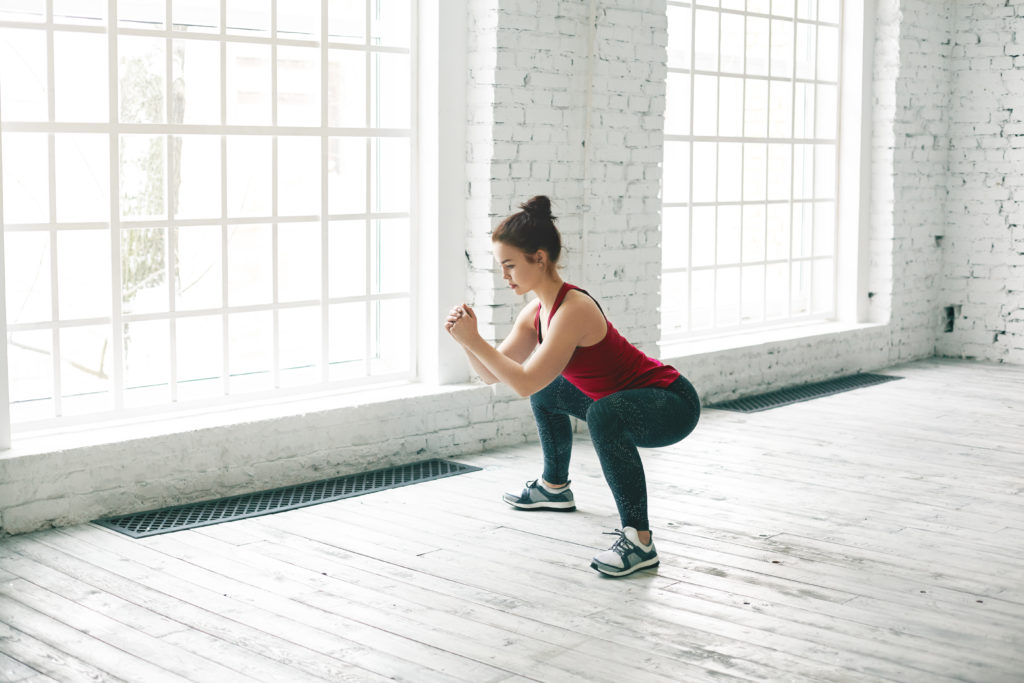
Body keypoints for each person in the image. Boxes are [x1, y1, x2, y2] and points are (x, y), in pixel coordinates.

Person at [445, 195, 701, 577]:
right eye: (502, 267)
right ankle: (554, 486)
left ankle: (639, 541)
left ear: (540, 259)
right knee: (554, 393)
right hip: (621, 401)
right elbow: (492, 375)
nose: (505, 276)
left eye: (510, 265)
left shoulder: (573, 309)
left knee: (601, 412)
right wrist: (466, 340)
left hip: (672, 405)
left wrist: (476, 341)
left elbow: (524, 383)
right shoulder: (535, 312)